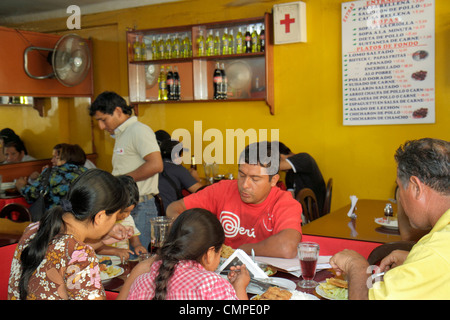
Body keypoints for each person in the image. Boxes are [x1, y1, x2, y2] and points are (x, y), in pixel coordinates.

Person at [330, 138, 450, 300]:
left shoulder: (434, 253)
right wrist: (415, 261)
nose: (399, 198)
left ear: (416, 187)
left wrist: (357, 267)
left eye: (399, 188)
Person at [166, 141, 303, 259]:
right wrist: (189, 237)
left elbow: (287, 247)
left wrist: (241, 251)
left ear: (273, 180)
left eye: (255, 179)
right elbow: (173, 208)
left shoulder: (285, 203)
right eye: (242, 175)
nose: (245, 185)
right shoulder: (223, 190)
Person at [8, 169, 130, 300]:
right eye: (115, 217)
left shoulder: (33, 229)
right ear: (100, 216)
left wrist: (100, 240)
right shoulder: (80, 254)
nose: (114, 223)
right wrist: (133, 278)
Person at [89, 91, 163, 251]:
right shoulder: (121, 134)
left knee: (137, 256)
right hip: (125, 206)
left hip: (140, 206)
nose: (101, 126)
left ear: (117, 111)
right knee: (124, 255)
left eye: (103, 120)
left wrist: (119, 181)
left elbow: (156, 164)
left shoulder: (138, 130)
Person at [126, 208, 250, 300]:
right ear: (210, 253)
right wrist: (240, 287)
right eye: (220, 252)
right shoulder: (211, 284)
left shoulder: (141, 283)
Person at [16, 143, 87, 210]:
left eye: (55, 157)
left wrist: (21, 186)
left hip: (55, 218)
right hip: (82, 217)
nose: (52, 160)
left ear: (65, 158)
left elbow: (32, 195)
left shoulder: (52, 172)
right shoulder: (87, 172)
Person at [95, 175, 148, 262]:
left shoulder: (128, 219)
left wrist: (138, 246)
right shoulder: (102, 221)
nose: (126, 215)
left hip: (122, 262)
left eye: (130, 211)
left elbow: (134, 238)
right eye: (124, 211)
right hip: (102, 263)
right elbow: (97, 247)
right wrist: (117, 251)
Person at [278, 142, 326, 214]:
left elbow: (274, 166)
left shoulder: (304, 158)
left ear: (281, 157)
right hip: (303, 213)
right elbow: (291, 198)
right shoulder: (289, 174)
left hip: (314, 214)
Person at [158, 139, 203, 213]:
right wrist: (196, 178)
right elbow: (201, 191)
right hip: (172, 213)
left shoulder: (154, 167)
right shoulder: (178, 169)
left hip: (154, 212)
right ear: (176, 155)